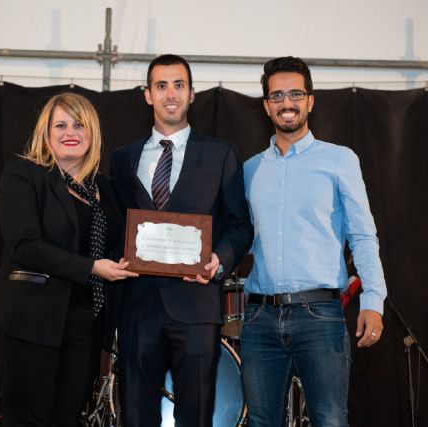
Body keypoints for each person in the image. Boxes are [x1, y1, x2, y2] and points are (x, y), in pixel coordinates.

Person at [241, 56, 388, 427]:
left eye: (295, 94)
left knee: (330, 420)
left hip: (319, 315)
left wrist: (373, 300)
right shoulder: (250, 169)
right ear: (266, 105)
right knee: (261, 421)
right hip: (259, 317)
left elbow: (362, 234)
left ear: (310, 100)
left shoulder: (340, 160)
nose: (286, 102)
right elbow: (241, 236)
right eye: (277, 96)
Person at [109, 54, 253, 426]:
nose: (170, 94)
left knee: (196, 417)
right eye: (161, 86)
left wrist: (218, 261)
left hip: (197, 307)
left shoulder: (221, 155)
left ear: (191, 94)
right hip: (137, 307)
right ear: (147, 95)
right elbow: (114, 228)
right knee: (136, 417)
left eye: (179, 85)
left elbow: (240, 227)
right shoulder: (122, 159)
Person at [0, 92, 138, 427]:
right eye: (61, 125)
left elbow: (128, 240)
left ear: (92, 132)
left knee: (67, 420)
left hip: (85, 324)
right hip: (31, 319)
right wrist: (91, 268)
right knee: (27, 420)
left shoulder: (105, 188)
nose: (71, 132)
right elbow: (24, 245)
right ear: (46, 132)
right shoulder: (24, 174)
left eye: (79, 124)